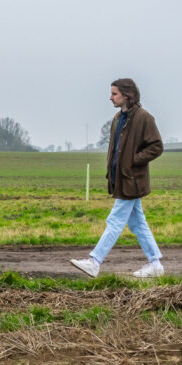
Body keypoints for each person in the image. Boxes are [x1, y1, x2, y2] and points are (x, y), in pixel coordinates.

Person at [70, 78, 165, 278]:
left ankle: (94, 262)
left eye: (114, 93)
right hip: (120, 179)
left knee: (114, 220)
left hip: (132, 180)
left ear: (127, 95)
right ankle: (155, 264)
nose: (110, 97)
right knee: (138, 223)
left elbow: (156, 146)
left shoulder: (144, 118)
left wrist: (134, 160)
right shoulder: (116, 119)